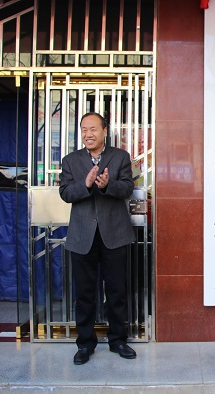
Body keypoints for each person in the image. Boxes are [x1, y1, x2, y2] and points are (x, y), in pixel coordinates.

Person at [60, 112, 136, 365]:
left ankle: (118, 340)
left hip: (114, 233)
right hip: (82, 235)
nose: (88, 134)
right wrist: (85, 184)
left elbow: (127, 188)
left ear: (105, 131)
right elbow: (65, 193)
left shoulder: (120, 157)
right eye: (84, 129)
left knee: (116, 291)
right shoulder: (71, 160)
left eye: (93, 129)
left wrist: (106, 185)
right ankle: (85, 344)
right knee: (85, 294)